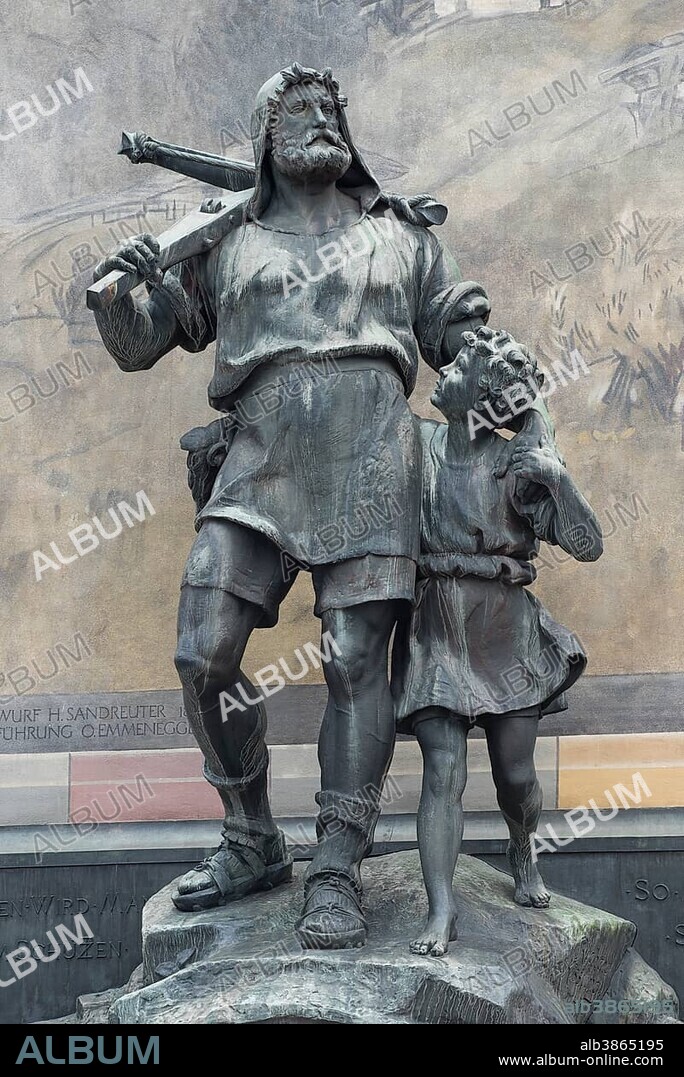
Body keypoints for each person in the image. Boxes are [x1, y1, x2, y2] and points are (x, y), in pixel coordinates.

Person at [90, 63, 503, 949]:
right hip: (258, 460)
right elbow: (140, 343)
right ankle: (252, 838)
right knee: (203, 653)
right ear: (264, 138)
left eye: (332, 109)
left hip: (375, 459)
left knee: (357, 661)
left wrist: (498, 393)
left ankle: (337, 867)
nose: (323, 120)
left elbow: (466, 338)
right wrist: (115, 298)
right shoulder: (224, 242)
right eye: (301, 110)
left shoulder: (403, 236)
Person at [391, 326, 603, 956]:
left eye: (457, 371)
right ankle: (442, 910)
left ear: (482, 398)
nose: (443, 374)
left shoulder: (514, 466)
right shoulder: (418, 445)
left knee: (515, 774)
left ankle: (522, 850)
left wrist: (558, 478)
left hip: (506, 631)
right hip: (437, 628)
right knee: (444, 769)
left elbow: (589, 546)